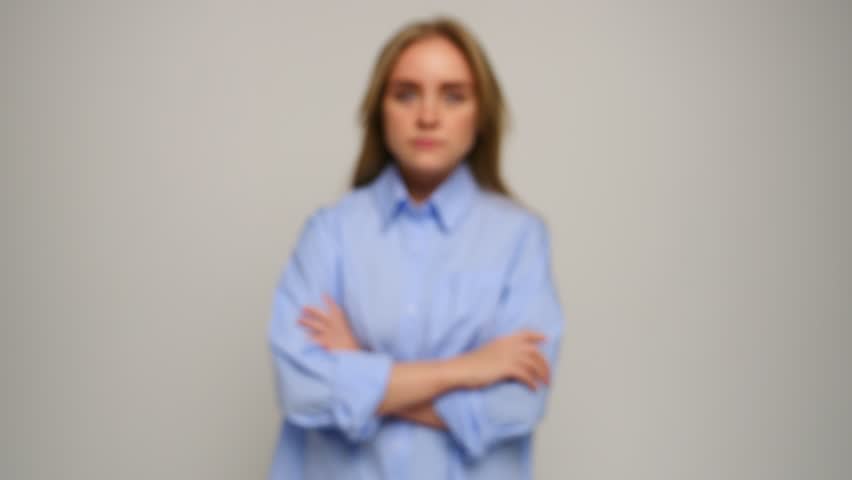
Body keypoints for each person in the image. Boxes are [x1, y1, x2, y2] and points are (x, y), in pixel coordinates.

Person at [267, 16, 565, 480]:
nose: (428, 116)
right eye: (406, 93)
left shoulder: (520, 239)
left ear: (481, 115)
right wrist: (470, 369)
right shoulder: (329, 233)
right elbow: (303, 389)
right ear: (379, 110)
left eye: (453, 95)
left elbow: (516, 405)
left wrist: (359, 373)